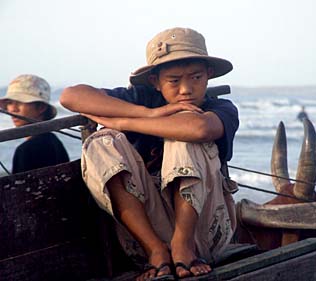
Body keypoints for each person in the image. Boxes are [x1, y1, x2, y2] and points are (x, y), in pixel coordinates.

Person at [60, 27, 239, 280]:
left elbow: (199, 129)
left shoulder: (220, 108)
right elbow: (71, 95)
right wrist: (149, 114)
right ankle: (155, 249)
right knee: (101, 142)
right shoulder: (142, 100)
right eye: (174, 81)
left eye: (196, 77)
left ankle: (182, 244)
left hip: (206, 230)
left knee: (184, 127)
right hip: (145, 238)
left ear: (209, 75)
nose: (186, 89)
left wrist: (124, 122)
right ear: (155, 81)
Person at [0, 74, 69, 173]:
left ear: (41, 107)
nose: (12, 109)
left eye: (19, 102)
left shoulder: (25, 150)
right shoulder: (54, 141)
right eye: (10, 102)